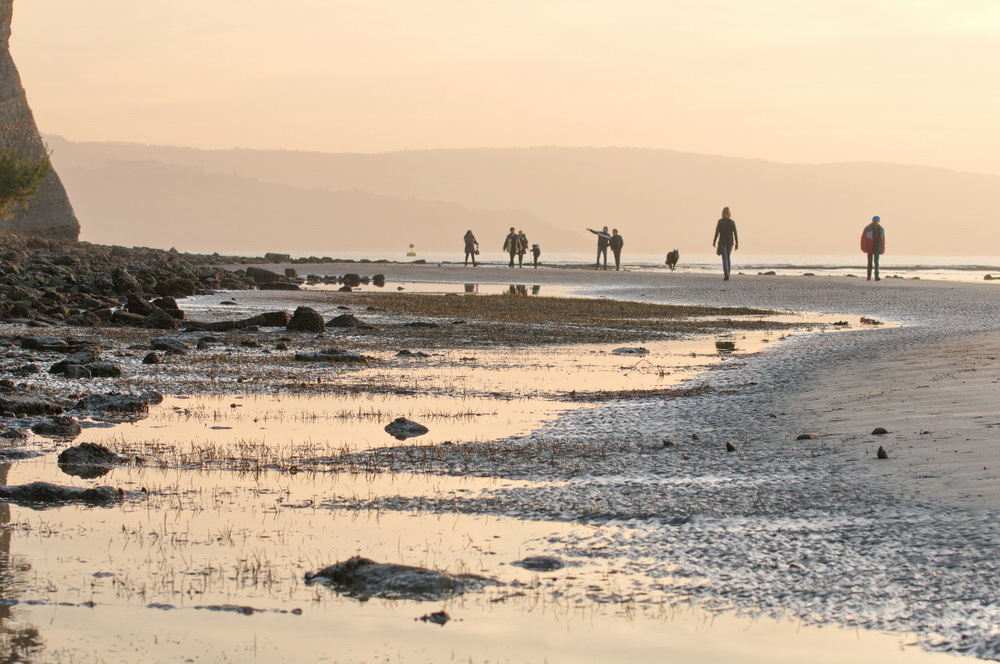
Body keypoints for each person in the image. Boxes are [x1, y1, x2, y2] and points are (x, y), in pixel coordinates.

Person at [712, 207, 739, 281]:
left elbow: (717, 232)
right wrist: (737, 243)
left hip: (723, 242)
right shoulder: (732, 222)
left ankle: (726, 274)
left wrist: (714, 240)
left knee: (724, 258)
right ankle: (728, 274)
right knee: (728, 257)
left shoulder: (720, 222)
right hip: (730, 242)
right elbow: (735, 233)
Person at [861, 215, 885, 281]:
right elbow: (863, 238)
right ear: (873, 221)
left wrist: (883, 248)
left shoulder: (881, 229)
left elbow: (883, 240)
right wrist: (863, 247)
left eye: (877, 221)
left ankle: (876, 276)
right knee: (870, 263)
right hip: (869, 247)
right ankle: (869, 276)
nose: (875, 222)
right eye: (875, 221)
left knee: (876, 262)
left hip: (877, 247)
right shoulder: (867, 228)